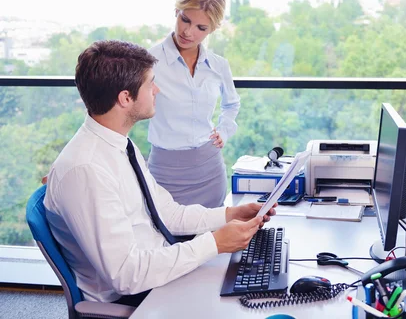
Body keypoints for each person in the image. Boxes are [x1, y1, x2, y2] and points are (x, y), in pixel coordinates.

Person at [44, 40, 274, 306]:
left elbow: (167, 213)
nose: (157, 90)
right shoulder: (85, 170)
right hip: (134, 297)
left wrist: (229, 215)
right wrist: (214, 244)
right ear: (125, 98)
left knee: (253, 285)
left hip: (159, 268)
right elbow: (126, 275)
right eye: (150, 83)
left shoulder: (120, 144)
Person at [147, 0, 240, 208]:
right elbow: (120, 112)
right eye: (185, 20)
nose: (188, 32)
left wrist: (225, 131)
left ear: (212, 29)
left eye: (201, 27)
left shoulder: (219, 66)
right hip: (164, 174)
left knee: (214, 239)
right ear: (176, 12)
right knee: (163, 239)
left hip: (209, 170)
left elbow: (232, 104)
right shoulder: (149, 62)